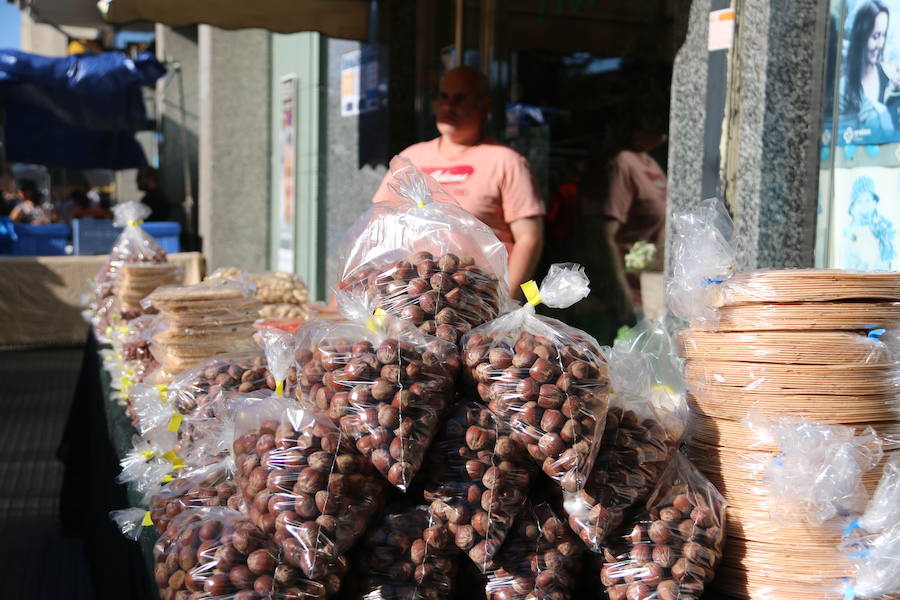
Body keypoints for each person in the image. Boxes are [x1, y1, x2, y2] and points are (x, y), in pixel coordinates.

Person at [373, 66, 545, 299]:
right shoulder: (411, 158)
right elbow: (376, 225)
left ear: (484, 106)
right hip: (412, 298)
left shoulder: (507, 161)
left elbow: (529, 237)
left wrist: (506, 301)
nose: (448, 106)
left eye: (460, 98)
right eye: (443, 97)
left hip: (477, 299)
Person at [568, 76, 669, 346]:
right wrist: (620, 292)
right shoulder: (620, 164)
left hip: (651, 290)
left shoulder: (649, 162)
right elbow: (602, 235)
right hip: (627, 299)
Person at [840, 0, 900, 134]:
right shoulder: (844, 88)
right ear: (860, 36)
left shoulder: (891, 77)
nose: (880, 43)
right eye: (875, 36)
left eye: (883, 35)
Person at [843, 176, 896, 270]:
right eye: (859, 201)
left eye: (867, 200)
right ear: (853, 207)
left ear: (875, 202)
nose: (864, 206)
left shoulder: (883, 229)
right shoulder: (851, 233)